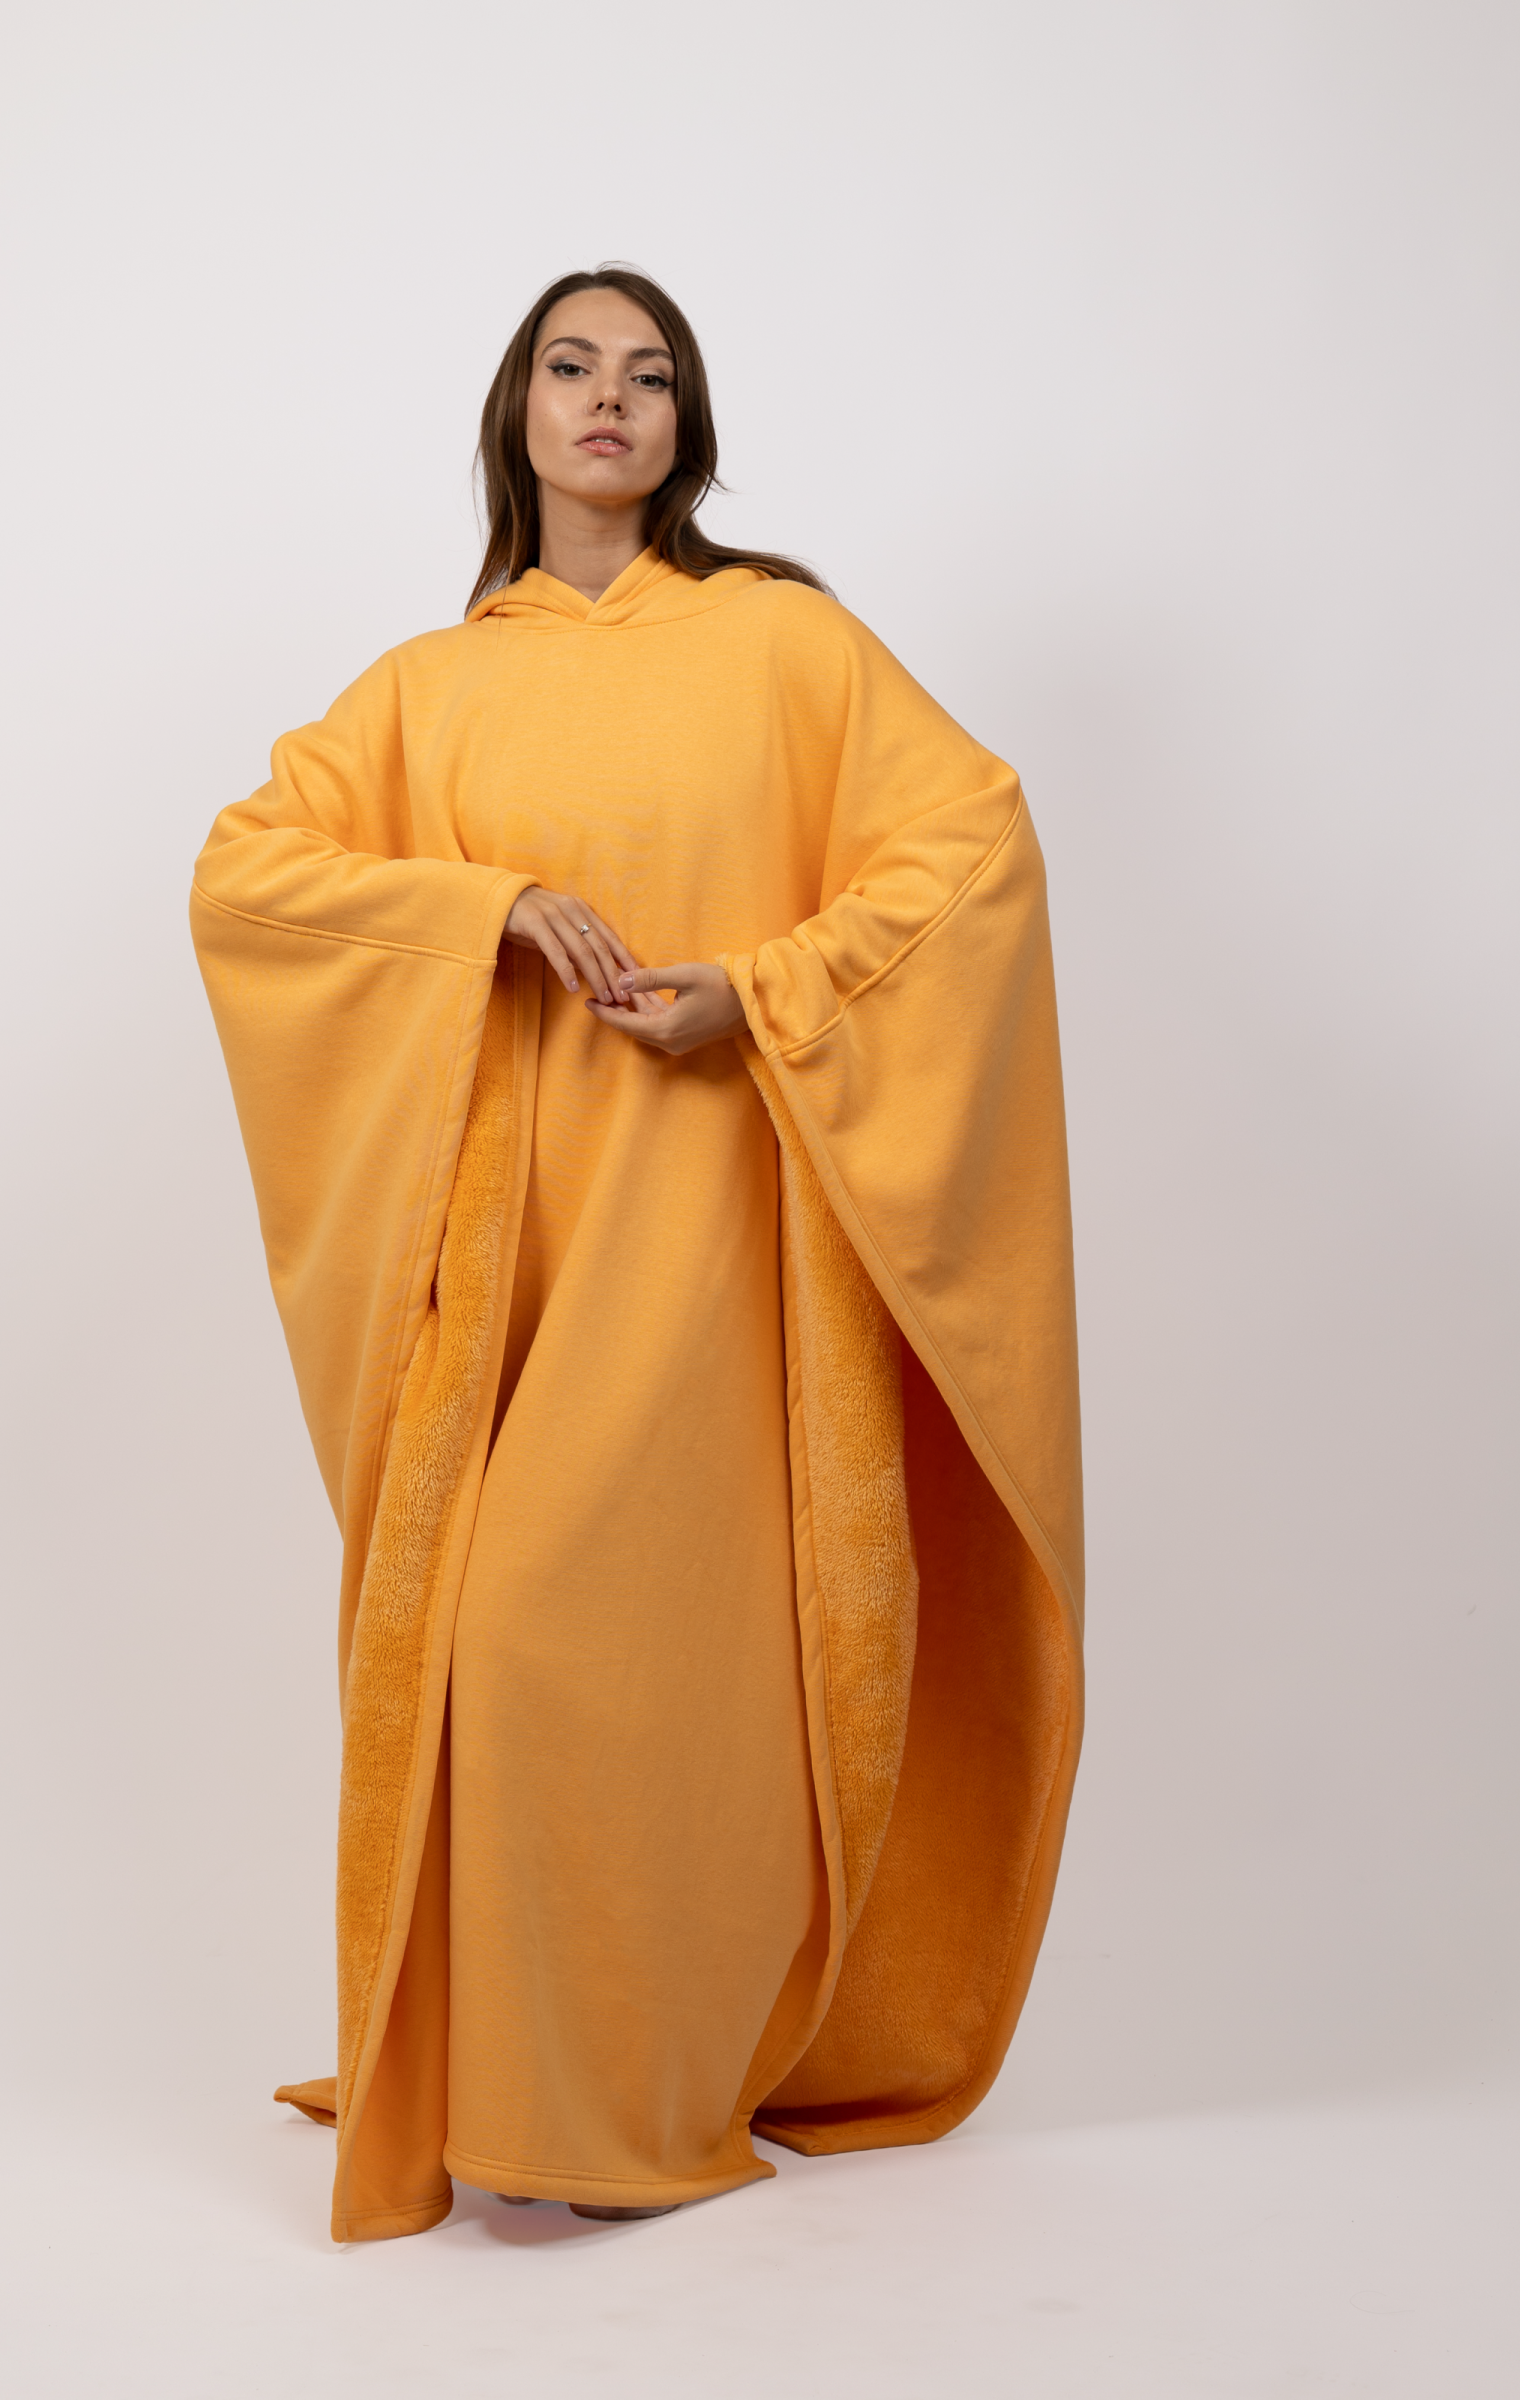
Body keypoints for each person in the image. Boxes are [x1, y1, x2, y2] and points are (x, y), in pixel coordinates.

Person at [191, 266, 1083, 2243]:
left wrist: (762, 993)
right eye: (573, 366)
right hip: (518, 1261)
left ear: (688, 428)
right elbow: (253, 877)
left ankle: (644, 2095)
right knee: (507, 1647)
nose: (611, 398)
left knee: (662, 1665)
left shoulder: (785, 647)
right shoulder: (425, 690)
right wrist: (488, 908)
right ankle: (526, 2083)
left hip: (726, 1241)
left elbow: (971, 847)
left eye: (651, 375)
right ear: (517, 410)